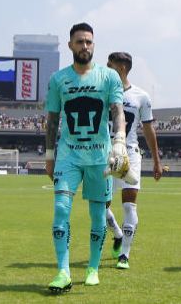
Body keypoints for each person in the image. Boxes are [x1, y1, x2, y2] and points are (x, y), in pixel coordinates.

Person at [45, 23, 128, 293]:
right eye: (79, 42)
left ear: (94, 45)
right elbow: (53, 120)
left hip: (99, 157)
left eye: (89, 42)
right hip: (68, 155)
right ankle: (63, 271)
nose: (84, 46)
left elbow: (117, 111)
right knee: (60, 209)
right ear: (70, 45)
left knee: (97, 215)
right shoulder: (58, 79)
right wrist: (48, 155)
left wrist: (119, 141)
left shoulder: (109, 77)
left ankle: (92, 267)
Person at [104, 52, 161, 270]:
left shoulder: (141, 96)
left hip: (130, 153)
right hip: (105, 154)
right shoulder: (102, 93)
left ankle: (124, 255)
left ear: (122, 69)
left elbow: (149, 130)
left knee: (129, 205)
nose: (106, 69)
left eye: (110, 66)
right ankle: (117, 233)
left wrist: (156, 160)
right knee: (101, 207)